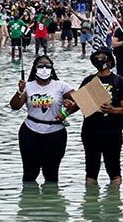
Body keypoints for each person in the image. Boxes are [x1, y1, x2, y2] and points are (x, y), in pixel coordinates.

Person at [10, 54, 75, 184]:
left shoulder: (61, 86)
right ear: (35, 68)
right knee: (30, 173)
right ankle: (30, 201)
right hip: (30, 131)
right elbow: (15, 106)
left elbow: (81, 100)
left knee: (51, 173)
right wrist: (20, 91)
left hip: (55, 133)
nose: (44, 69)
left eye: (47, 66)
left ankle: (51, 202)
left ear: (52, 69)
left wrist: (66, 112)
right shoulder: (28, 85)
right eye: (40, 66)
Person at [77, 47, 123, 185]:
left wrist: (113, 110)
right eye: (97, 57)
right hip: (91, 132)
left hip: (113, 132)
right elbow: (79, 103)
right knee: (91, 170)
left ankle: (114, 203)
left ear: (110, 60)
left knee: (114, 169)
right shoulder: (88, 80)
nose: (100, 60)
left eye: (103, 57)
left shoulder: (118, 81)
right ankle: (91, 203)